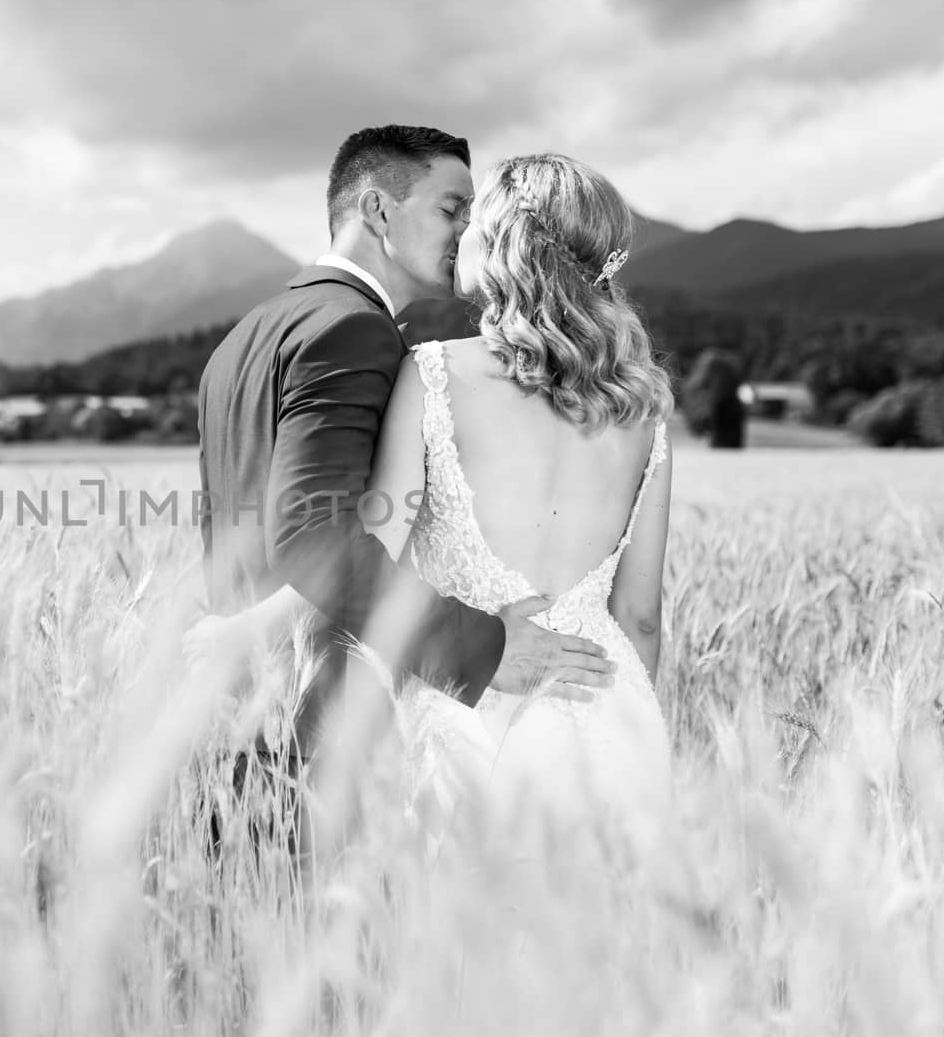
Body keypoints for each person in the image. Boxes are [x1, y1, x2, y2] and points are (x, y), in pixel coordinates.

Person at [192, 150, 676, 852]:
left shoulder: (433, 373)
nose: (461, 235)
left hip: (468, 724)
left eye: (473, 220)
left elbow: (363, 553)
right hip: (609, 714)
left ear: (506, 243)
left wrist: (246, 632)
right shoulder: (645, 411)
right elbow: (641, 615)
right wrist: (625, 727)